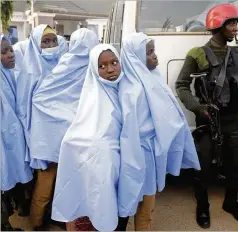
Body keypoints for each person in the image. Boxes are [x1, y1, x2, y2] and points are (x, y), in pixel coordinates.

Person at [118, 32, 201, 231]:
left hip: (150, 155)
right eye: (149, 52)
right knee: (129, 205)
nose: (155, 56)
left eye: (154, 51)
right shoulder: (131, 90)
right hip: (136, 158)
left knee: (147, 206)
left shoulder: (152, 79)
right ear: (135, 57)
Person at [176, 4, 238, 228]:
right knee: (202, 167)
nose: (235, 28)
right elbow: (182, 86)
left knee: (234, 165)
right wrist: (199, 108)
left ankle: (231, 202)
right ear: (218, 26)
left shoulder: (237, 52)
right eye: (231, 23)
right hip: (208, 119)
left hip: (234, 120)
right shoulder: (197, 54)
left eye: (235, 23)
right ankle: (202, 206)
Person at [51, 44, 124, 231]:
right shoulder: (93, 97)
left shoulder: (127, 90)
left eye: (114, 62)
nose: (110, 69)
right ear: (93, 69)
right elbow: (83, 135)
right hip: (103, 169)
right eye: (102, 66)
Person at [15, 24, 62, 230]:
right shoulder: (31, 71)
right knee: (45, 180)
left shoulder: (64, 66)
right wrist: (31, 135)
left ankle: (54, 216)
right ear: (36, 44)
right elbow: (24, 108)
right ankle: (36, 221)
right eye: (45, 41)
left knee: (61, 181)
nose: (51, 45)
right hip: (43, 136)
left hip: (64, 135)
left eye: (54, 41)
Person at [1, 35, 33, 229]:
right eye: (3, 52)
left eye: (10, 49)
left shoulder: (8, 76)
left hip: (10, 139)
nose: (11, 55)